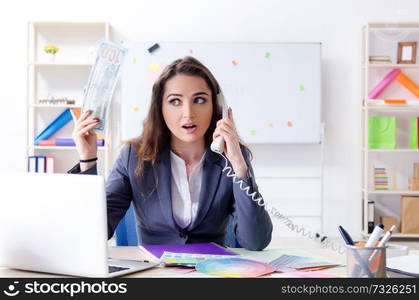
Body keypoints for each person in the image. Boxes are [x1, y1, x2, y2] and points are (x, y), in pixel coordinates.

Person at [69, 56, 272, 250]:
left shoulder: (231, 157)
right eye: (175, 101)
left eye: (199, 100)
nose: (188, 113)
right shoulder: (133, 156)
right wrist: (87, 160)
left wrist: (239, 169)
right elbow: (92, 233)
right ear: (160, 107)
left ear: (217, 106)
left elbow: (255, 241)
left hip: (210, 272)